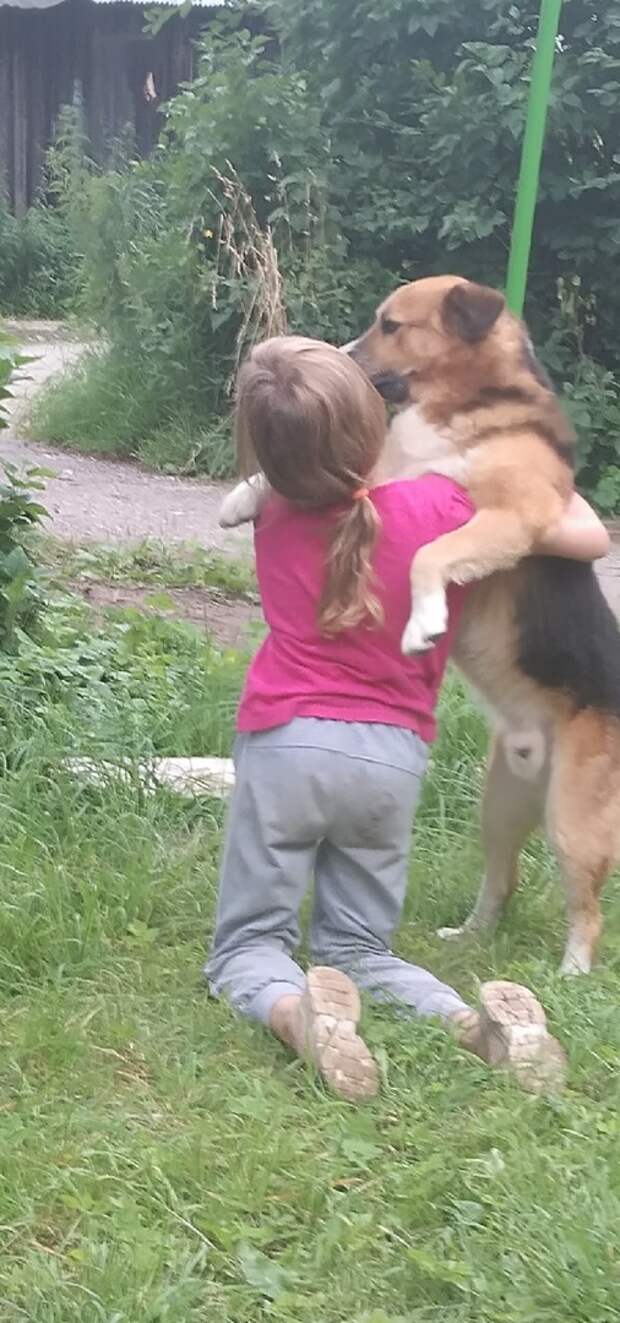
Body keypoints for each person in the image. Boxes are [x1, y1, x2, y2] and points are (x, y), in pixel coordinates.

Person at [206, 336, 609, 1101]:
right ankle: (472, 1023)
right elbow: (584, 534)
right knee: (361, 946)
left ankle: (298, 1016)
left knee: (249, 947)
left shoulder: (271, 507)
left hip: (286, 742)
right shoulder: (444, 507)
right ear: (378, 428)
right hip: (391, 761)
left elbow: (288, 477)